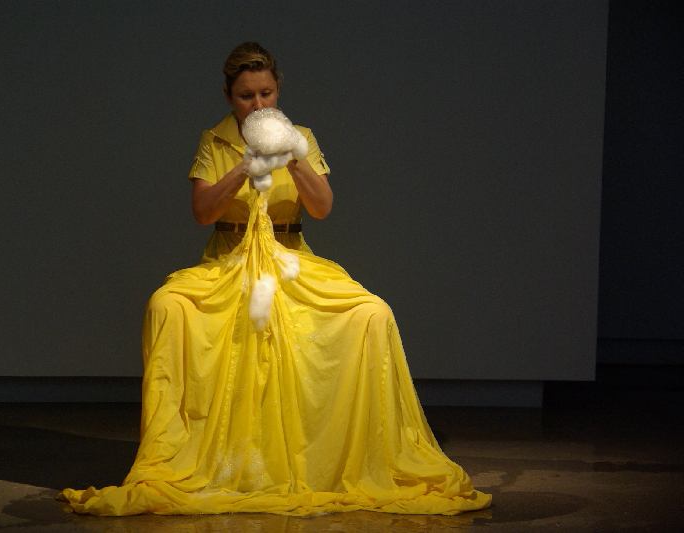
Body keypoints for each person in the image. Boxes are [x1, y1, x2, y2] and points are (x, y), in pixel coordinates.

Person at [58, 42, 491, 516]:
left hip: (289, 261)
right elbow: (203, 213)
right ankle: (191, 456)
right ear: (229, 96)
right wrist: (244, 165)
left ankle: (340, 458)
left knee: (372, 313)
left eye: (266, 93)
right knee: (168, 305)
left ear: (278, 89)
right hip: (230, 262)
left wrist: (290, 156)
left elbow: (323, 208)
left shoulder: (300, 136)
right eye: (247, 96)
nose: (258, 105)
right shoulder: (215, 141)